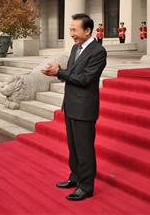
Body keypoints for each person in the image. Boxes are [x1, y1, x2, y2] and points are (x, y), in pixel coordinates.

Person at [42, 13, 107, 201]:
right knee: (73, 147)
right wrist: (56, 72)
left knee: (84, 148)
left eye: (74, 30)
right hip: (70, 105)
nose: (71, 33)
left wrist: (60, 72)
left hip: (84, 108)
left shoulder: (98, 52)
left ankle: (86, 186)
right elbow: (71, 73)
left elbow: (86, 79)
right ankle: (75, 177)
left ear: (87, 30)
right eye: (70, 29)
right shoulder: (75, 48)